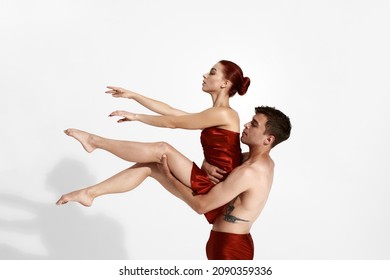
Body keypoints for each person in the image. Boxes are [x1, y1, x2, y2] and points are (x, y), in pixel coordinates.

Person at [56, 60, 250, 224]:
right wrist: (134, 96)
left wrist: (138, 117)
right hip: (211, 182)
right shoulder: (214, 114)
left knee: (162, 149)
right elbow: (172, 112)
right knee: (149, 167)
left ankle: (94, 141)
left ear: (224, 83)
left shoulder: (224, 113)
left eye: (212, 72)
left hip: (218, 192)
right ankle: (90, 194)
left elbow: (173, 123)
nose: (205, 75)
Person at [157, 106, 292, 260]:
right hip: (233, 241)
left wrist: (169, 178)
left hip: (228, 246)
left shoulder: (249, 171)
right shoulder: (258, 162)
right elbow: (220, 166)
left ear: (268, 139)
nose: (246, 125)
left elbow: (201, 206)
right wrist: (206, 165)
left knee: (157, 170)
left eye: (254, 124)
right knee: (153, 169)